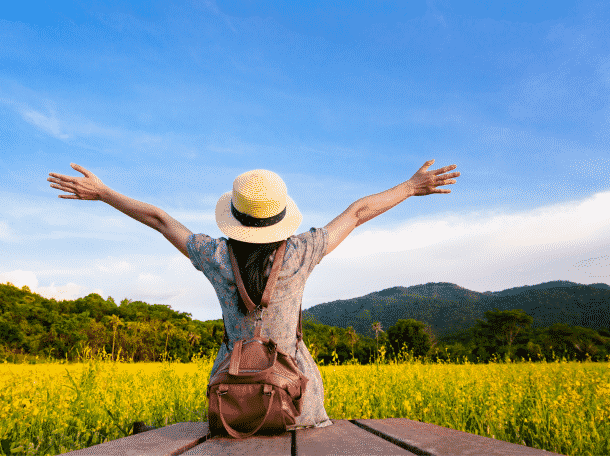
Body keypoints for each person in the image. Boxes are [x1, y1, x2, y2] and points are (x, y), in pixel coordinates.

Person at [47, 159, 459, 429]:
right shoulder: (300, 252)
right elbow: (357, 212)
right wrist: (410, 186)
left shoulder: (214, 255)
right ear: (280, 216)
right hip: (299, 404)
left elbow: (159, 219)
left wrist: (102, 192)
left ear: (235, 216)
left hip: (232, 405)